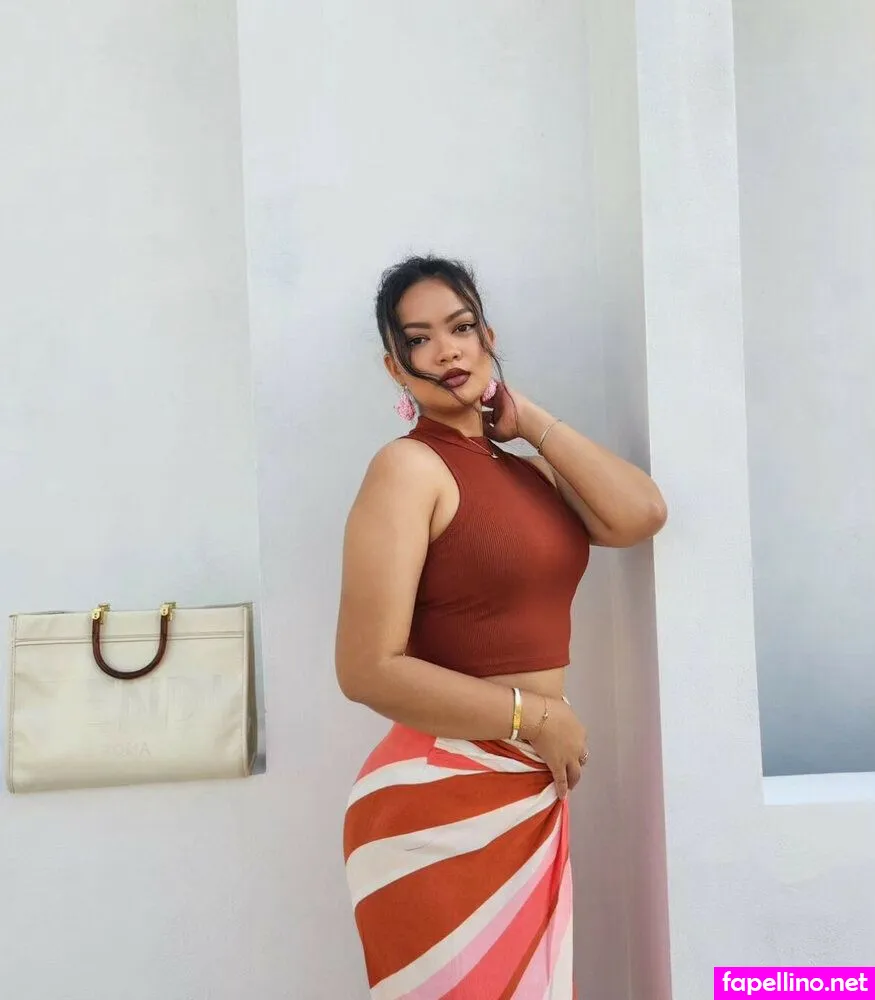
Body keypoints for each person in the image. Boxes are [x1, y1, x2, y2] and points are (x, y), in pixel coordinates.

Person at [336, 255, 667, 999]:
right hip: (436, 800)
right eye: (418, 339)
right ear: (394, 367)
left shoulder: (526, 472)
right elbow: (366, 669)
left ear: (487, 336)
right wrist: (539, 717)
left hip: (527, 789)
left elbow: (640, 514)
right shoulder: (407, 469)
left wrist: (530, 422)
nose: (445, 351)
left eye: (460, 328)